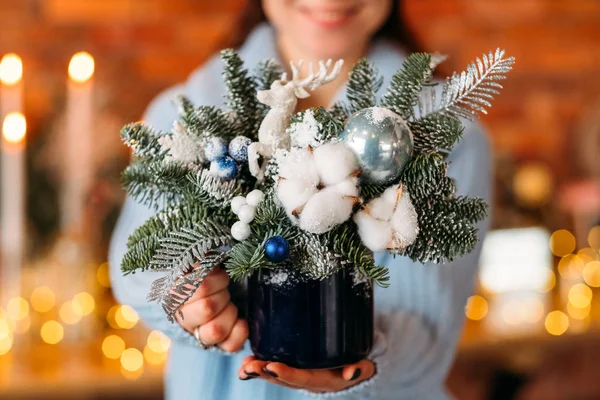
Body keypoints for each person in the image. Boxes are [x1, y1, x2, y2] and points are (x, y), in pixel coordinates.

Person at [109, 1, 492, 399]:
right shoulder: (181, 122)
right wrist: (192, 300)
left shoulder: (450, 141)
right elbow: (138, 263)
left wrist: (369, 360)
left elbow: (427, 331)